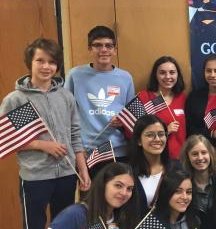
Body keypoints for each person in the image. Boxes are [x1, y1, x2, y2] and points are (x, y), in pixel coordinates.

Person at [0, 38, 91, 229]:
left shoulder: (65, 96)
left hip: (66, 175)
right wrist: (42, 145)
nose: (46, 66)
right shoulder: (16, 99)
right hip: (35, 178)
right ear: (30, 63)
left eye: (51, 62)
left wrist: (83, 171)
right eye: (40, 60)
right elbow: (8, 138)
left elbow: (76, 135)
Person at [65, 25, 135, 171]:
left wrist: (123, 121)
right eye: (98, 45)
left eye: (108, 46)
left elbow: (131, 115)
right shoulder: (75, 75)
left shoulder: (125, 77)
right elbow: (66, 113)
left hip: (118, 150)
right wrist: (76, 150)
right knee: (90, 193)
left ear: (114, 50)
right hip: (86, 151)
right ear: (90, 49)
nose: (103, 50)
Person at [137, 56, 187, 160]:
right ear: (155, 75)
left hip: (179, 158)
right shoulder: (144, 97)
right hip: (153, 159)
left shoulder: (182, 98)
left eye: (172, 72)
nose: (167, 76)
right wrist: (165, 132)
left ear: (178, 75)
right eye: (162, 73)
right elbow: (136, 131)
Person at [128, 115, 173, 212]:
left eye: (161, 134)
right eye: (150, 135)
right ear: (139, 140)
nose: (157, 139)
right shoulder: (128, 171)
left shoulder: (177, 169)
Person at [180, 134, 216, 219]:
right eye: (194, 154)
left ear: (210, 154)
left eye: (204, 152)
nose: (200, 157)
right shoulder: (181, 185)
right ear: (187, 157)